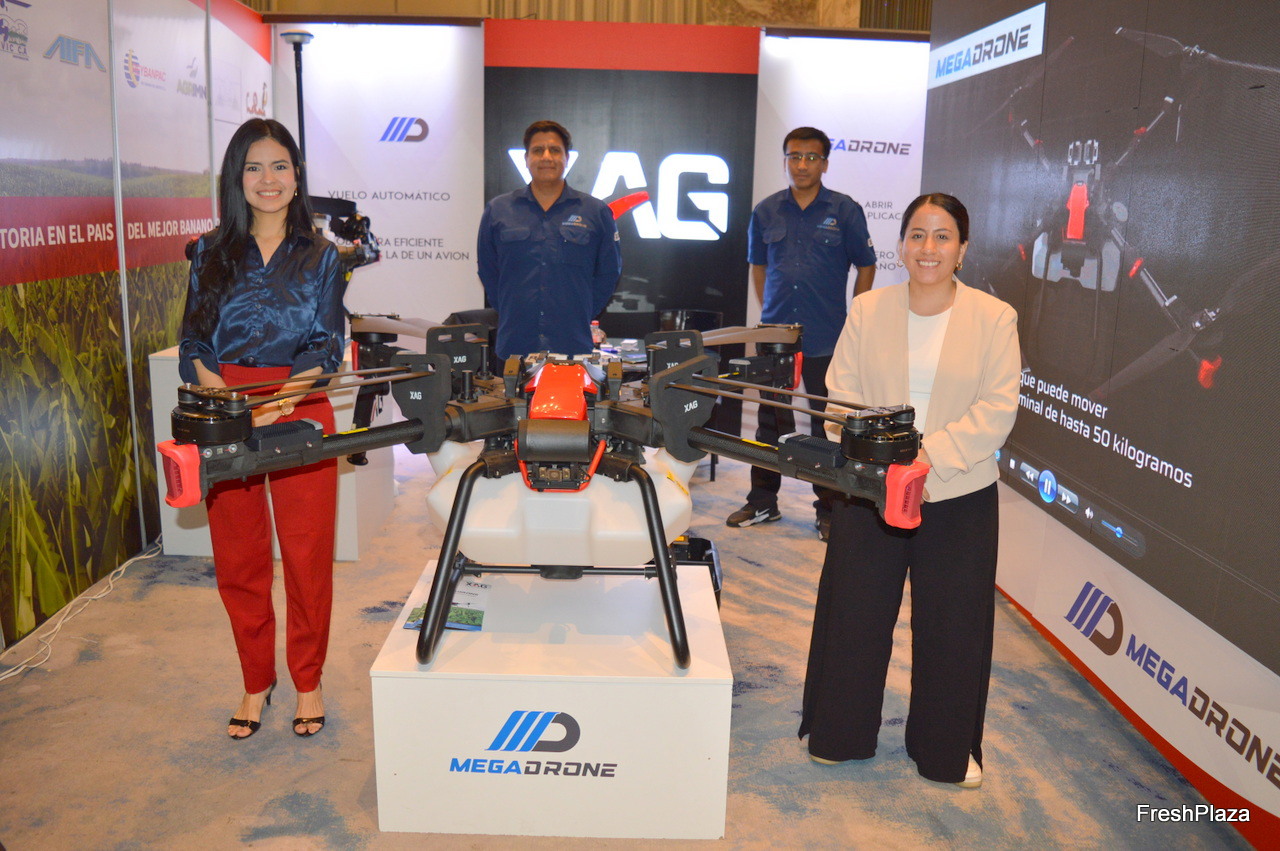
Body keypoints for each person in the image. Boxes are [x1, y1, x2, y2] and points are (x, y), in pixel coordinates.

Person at [798, 193, 1020, 788]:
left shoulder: (995, 318)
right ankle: (840, 734)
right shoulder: (868, 309)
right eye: (917, 235)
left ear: (962, 249)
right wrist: (880, 457)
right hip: (870, 489)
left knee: (953, 624)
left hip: (957, 492)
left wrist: (925, 456)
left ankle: (944, 751)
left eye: (943, 236)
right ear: (900, 245)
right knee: (856, 611)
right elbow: (840, 397)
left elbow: (997, 410)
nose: (929, 248)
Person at [178, 118, 346, 740]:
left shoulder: (323, 255)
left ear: (296, 177)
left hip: (301, 408)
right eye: (253, 168)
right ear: (236, 178)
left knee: (307, 556)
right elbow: (194, 338)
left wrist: (281, 401)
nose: (267, 179)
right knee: (239, 557)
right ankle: (256, 680)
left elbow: (326, 344)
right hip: (223, 410)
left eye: (279, 166)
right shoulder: (207, 251)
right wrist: (221, 393)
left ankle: (308, 680)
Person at [726, 127, 876, 540]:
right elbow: (758, 266)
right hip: (775, 337)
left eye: (811, 157)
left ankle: (828, 509)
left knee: (825, 427)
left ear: (824, 163)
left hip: (828, 335)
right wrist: (770, 316)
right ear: (786, 160)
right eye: (794, 156)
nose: (802, 164)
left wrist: (858, 316)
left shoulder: (844, 210)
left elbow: (866, 264)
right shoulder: (766, 211)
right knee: (769, 424)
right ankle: (763, 500)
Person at [476, 119, 621, 359]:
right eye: (537, 150)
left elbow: (609, 273)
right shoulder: (498, 210)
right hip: (515, 346)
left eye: (554, 150)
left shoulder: (595, 212)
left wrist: (580, 312)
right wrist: (514, 310)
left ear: (567, 158)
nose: (546, 157)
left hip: (572, 345)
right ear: (526, 159)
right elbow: (488, 271)